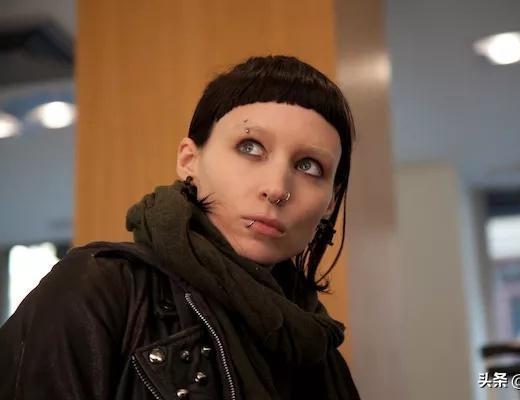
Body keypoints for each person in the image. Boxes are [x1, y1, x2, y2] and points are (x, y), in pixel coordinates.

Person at [0, 55, 360, 400]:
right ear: (189, 160)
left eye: (309, 166)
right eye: (250, 147)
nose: (277, 188)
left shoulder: (318, 346)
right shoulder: (94, 289)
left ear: (330, 201)